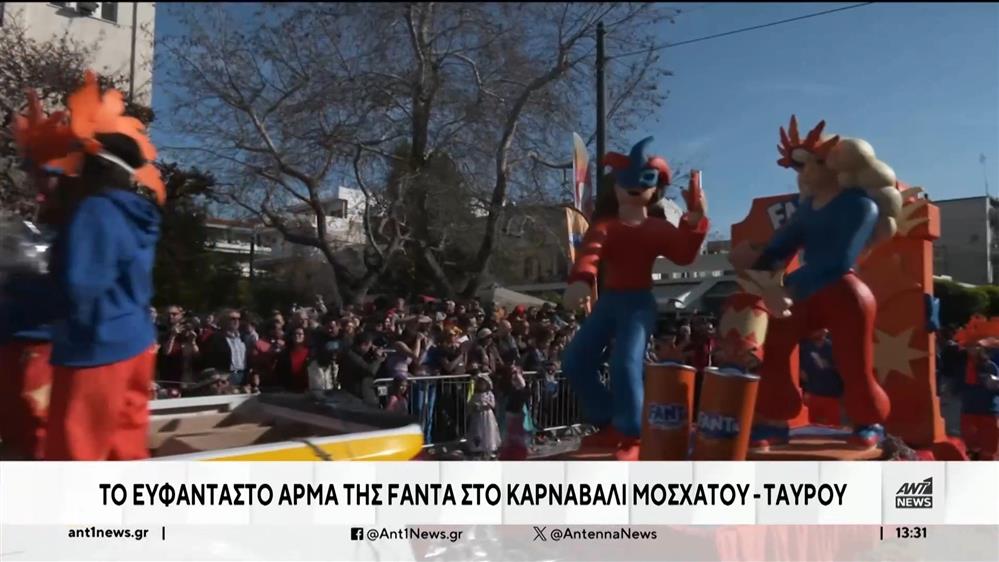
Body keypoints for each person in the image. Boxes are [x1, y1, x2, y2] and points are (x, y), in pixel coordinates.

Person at [730, 116, 904, 450]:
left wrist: (786, 287)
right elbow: (781, 246)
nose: (807, 171)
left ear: (841, 166)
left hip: (845, 291)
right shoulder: (807, 208)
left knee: (853, 361)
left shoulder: (859, 206)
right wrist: (756, 262)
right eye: (802, 164)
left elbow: (838, 260)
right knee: (776, 347)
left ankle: (868, 420)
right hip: (805, 291)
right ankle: (775, 419)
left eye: (818, 162)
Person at [44, 71, 167, 460]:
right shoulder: (136, 215)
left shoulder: (95, 211)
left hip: (95, 347)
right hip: (134, 343)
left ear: (95, 169)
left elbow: (80, 284)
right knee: (124, 455)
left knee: (75, 459)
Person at [562, 137, 708, 460]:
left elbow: (683, 254)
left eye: (645, 180)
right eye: (626, 180)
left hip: (638, 304)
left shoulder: (657, 228)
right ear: (615, 186)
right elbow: (591, 252)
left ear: (656, 189)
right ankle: (609, 421)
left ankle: (633, 433)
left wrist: (694, 221)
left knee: (625, 363)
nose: (634, 187)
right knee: (574, 360)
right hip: (608, 303)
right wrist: (582, 280)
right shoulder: (606, 227)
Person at [0, 90, 69, 459]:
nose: (35, 182)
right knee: (16, 436)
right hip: (13, 346)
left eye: (42, 173)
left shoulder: (76, 226)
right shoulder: (31, 226)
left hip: (42, 350)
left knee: (36, 441)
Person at [961, 345, 999, 460]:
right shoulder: (962, 366)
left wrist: (991, 382)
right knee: (972, 449)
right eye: (970, 345)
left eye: (976, 346)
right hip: (968, 411)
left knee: (989, 450)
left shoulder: (990, 366)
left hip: (988, 411)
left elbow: (996, 388)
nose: (973, 348)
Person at [799, 330, 843, 426]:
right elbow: (802, 373)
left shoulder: (833, 347)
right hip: (812, 395)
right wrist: (806, 391)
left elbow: (842, 371)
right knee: (811, 426)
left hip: (832, 395)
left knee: (832, 427)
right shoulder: (806, 347)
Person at [204, 309, 252, 390]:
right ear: (224, 320)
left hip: (243, 376)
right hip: (225, 377)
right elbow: (209, 360)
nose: (236, 321)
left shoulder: (244, 337)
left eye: (238, 319)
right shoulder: (215, 338)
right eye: (233, 319)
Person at [338, 332, 384, 407]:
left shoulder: (361, 355)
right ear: (363, 345)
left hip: (365, 397)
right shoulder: (350, 356)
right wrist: (377, 359)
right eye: (369, 346)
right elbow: (370, 371)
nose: (370, 349)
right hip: (355, 398)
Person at [466, 374, 501, 458]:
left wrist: (486, 405)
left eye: (483, 384)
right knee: (478, 430)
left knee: (488, 430)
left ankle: (489, 447)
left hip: (487, 416)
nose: (481, 385)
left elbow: (493, 405)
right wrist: (475, 407)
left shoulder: (489, 394)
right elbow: (470, 404)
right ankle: (477, 447)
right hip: (478, 416)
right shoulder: (475, 395)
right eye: (479, 383)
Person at [276, 327, 311, 392]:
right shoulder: (285, 353)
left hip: (307, 389)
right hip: (289, 389)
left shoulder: (310, 352)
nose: (297, 336)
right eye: (294, 334)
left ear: (304, 336)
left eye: (300, 334)